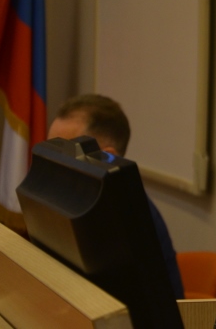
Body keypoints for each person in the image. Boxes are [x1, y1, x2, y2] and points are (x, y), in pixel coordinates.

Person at [47, 94, 186, 300]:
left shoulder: (128, 218)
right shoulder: (70, 201)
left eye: (63, 153)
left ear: (107, 158)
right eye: (49, 150)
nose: (51, 164)